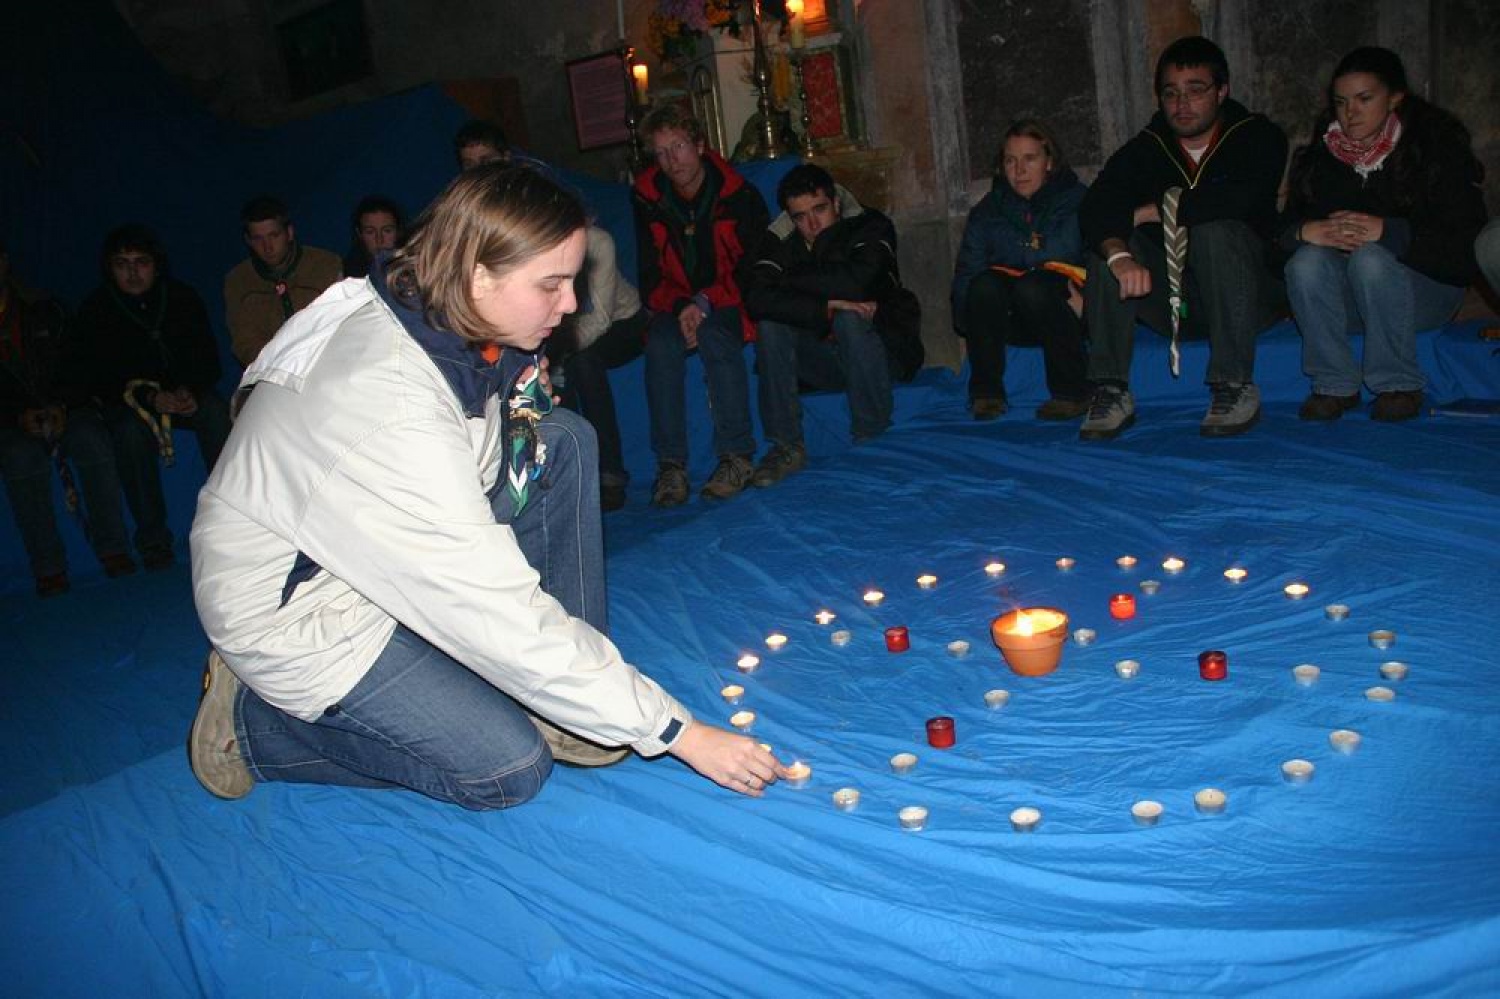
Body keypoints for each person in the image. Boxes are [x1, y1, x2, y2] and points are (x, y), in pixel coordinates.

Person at [188, 164, 786, 807]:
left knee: (561, 442)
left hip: (366, 537)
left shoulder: (423, 297)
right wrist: (676, 731)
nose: (572, 304)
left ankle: (566, 703)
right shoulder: (390, 410)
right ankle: (252, 724)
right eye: (552, 284)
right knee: (506, 768)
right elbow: (491, 611)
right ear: (478, 275)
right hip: (306, 610)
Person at [1078, 36, 1287, 440]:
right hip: (1180, 305)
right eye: (1171, 93)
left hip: (1248, 296)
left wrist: (1158, 210)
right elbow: (1097, 205)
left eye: (1196, 90)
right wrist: (1119, 253)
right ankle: (1110, 388)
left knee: (1214, 230)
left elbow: (1242, 198)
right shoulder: (1148, 147)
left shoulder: (1257, 136)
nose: (1182, 104)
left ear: (1222, 91)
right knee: (1112, 246)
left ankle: (1233, 384)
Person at [1283, 47, 1488, 422]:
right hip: (1349, 300)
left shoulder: (1435, 148)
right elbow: (1273, 237)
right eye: (1341, 102)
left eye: (1365, 99)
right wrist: (1303, 231)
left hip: (1424, 293)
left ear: (1395, 98)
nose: (1351, 113)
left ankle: (1397, 384)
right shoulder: (1322, 155)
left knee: (1372, 257)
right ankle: (1333, 384)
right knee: (1306, 261)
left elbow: (1465, 249)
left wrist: (1389, 231)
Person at [633, 102, 769, 506]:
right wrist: (680, 306)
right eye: (660, 153)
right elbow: (648, 275)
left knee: (716, 335)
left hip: (730, 297)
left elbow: (753, 269)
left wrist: (706, 301)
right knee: (658, 343)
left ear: (700, 145)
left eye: (678, 147)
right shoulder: (646, 198)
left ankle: (737, 455)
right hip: (674, 302)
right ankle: (671, 466)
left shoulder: (738, 195)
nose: (672, 161)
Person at [73, 225, 230, 570]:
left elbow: (208, 358)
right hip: (130, 403)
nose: (132, 272)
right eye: (122, 263)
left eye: (141, 262)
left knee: (216, 412)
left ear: (156, 265)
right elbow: (94, 376)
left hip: (182, 395)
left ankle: (236, 520)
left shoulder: (182, 298)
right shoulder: (96, 309)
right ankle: (153, 539)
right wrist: (147, 396)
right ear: (109, 268)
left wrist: (189, 388)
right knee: (129, 433)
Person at [741, 164, 899, 485]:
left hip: (880, 352)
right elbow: (756, 299)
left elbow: (859, 285)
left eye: (820, 210)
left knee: (850, 316)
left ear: (836, 202)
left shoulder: (870, 224)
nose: (812, 224)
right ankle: (786, 446)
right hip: (822, 359)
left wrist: (790, 280)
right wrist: (823, 306)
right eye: (800, 216)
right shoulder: (780, 236)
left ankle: (871, 436)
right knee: (770, 324)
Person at [0, 241, 135, 595]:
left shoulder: (47, 309)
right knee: (18, 456)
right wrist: (17, 416)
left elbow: (82, 365)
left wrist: (63, 404)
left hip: (67, 410)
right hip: (11, 423)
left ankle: (114, 548)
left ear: (4, 263)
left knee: (92, 439)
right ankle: (48, 567)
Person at [951, 119, 1090, 421]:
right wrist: (967, 320)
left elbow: (1094, 259)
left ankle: (1072, 392)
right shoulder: (987, 212)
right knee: (984, 284)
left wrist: (1093, 310)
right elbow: (967, 272)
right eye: (1010, 161)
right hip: (1011, 317)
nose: (1019, 170)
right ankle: (986, 393)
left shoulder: (1078, 201)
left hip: (1067, 310)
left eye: (1030, 159)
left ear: (1049, 161)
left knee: (1036, 284)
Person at [548, 227, 648, 512]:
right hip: (563, 329)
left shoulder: (598, 242)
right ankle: (565, 478)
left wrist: (558, 352)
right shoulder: (534, 245)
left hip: (622, 321)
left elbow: (601, 317)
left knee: (582, 361)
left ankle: (610, 475)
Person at [224, 195, 342, 367]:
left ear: (289, 233)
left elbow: (339, 322)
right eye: (258, 239)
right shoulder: (238, 281)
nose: (267, 247)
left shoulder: (325, 266)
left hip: (326, 363)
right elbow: (244, 342)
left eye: (274, 235)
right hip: (270, 371)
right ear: (248, 240)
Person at [343, 195, 404, 279]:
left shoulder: (417, 269)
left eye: (387, 231)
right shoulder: (349, 277)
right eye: (370, 232)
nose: (379, 240)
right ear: (359, 234)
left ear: (398, 231)